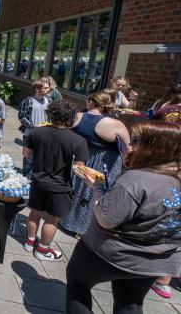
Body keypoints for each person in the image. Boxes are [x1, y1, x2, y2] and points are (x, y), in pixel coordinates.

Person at [65, 121, 181, 313]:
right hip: (155, 262)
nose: (131, 145)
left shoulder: (136, 179)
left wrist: (99, 188)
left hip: (110, 253)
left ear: (154, 147)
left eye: (135, 141)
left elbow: (105, 219)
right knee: (131, 303)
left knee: (77, 284)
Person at [23, 101, 89, 261]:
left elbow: (26, 153)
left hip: (38, 180)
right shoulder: (78, 140)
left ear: (51, 114)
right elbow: (79, 168)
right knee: (52, 218)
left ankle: (29, 242)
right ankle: (43, 250)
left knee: (35, 212)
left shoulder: (36, 132)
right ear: (71, 118)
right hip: (60, 186)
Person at [60, 92, 131, 237]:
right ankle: (86, 228)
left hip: (79, 158)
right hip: (105, 162)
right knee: (96, 192)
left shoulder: (76, 117)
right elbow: (127, 151)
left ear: (90, 102)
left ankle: (66, 221)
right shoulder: (116, 124)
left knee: (76, 188)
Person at [18, 79, 51, 177]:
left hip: (44, 134)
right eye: (45, 88)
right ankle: (26, 180)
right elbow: (21, 116)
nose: (48, 90)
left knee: (41, 158)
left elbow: (50, 116)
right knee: (28, 159)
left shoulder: (48, 100)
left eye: (48, 87)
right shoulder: (28, 101)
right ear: (37, 89)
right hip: (30, 134)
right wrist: (33, 126)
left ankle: (35, 179)